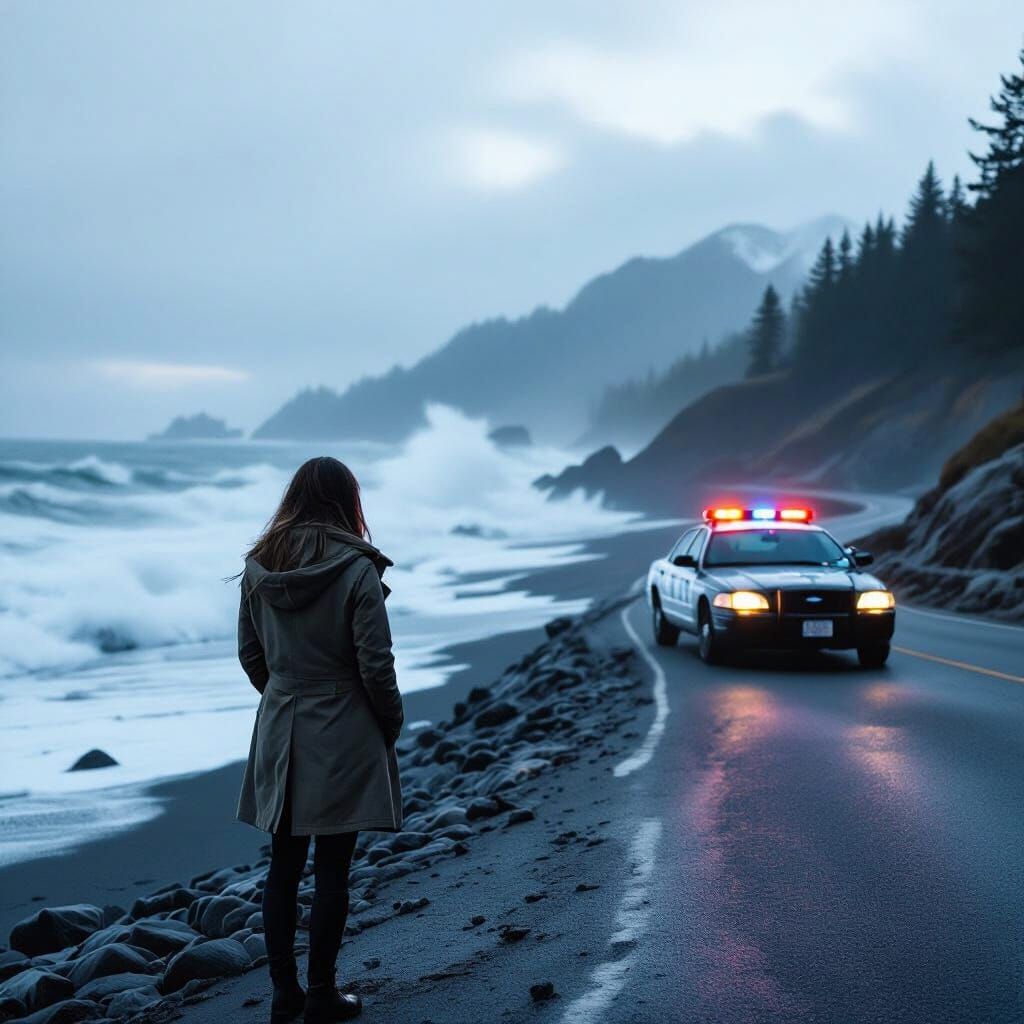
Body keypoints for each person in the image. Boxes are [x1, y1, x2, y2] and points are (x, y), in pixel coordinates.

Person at [235, 456, 404, 1023]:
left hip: (281, 725)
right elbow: (375, 663)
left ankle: (285, 994)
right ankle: (323, 993)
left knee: (283, 866)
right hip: (344, 726)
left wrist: (285, 695)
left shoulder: (258, 566)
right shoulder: (357, 570)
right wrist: (389, 722)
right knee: (334, 867)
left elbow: (250, 656)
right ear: (346, 503)